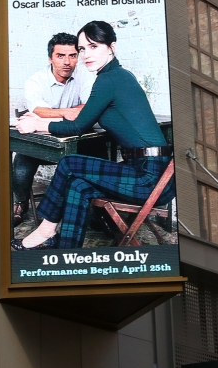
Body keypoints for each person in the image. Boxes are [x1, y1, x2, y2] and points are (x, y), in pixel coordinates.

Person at [14, 21, 172, 249]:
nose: (86, 54)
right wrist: (42, 121)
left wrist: (38, 124)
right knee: (79, 185)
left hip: (149, 177)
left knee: (69, 164)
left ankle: (46, 230)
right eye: (82, 49)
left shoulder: (110, 79)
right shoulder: (114, 76)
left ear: (111, 47)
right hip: (146, 170)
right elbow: (82, 119)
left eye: (93, 46)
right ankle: (67, 247)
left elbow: (77, 126)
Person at [11, 33, 95, 226]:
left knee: (98, 153)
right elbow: (38, 110)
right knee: (22, 158)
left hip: (74, 140)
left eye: (72, 55)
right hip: (46, 141)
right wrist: (72, 113)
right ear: (50, 58)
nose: (67, 62)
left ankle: (96, 210)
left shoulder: (84, 74)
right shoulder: (36, 80)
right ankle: (21, 202)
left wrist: (55, 114)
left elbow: (91, 106)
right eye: (60, 56)